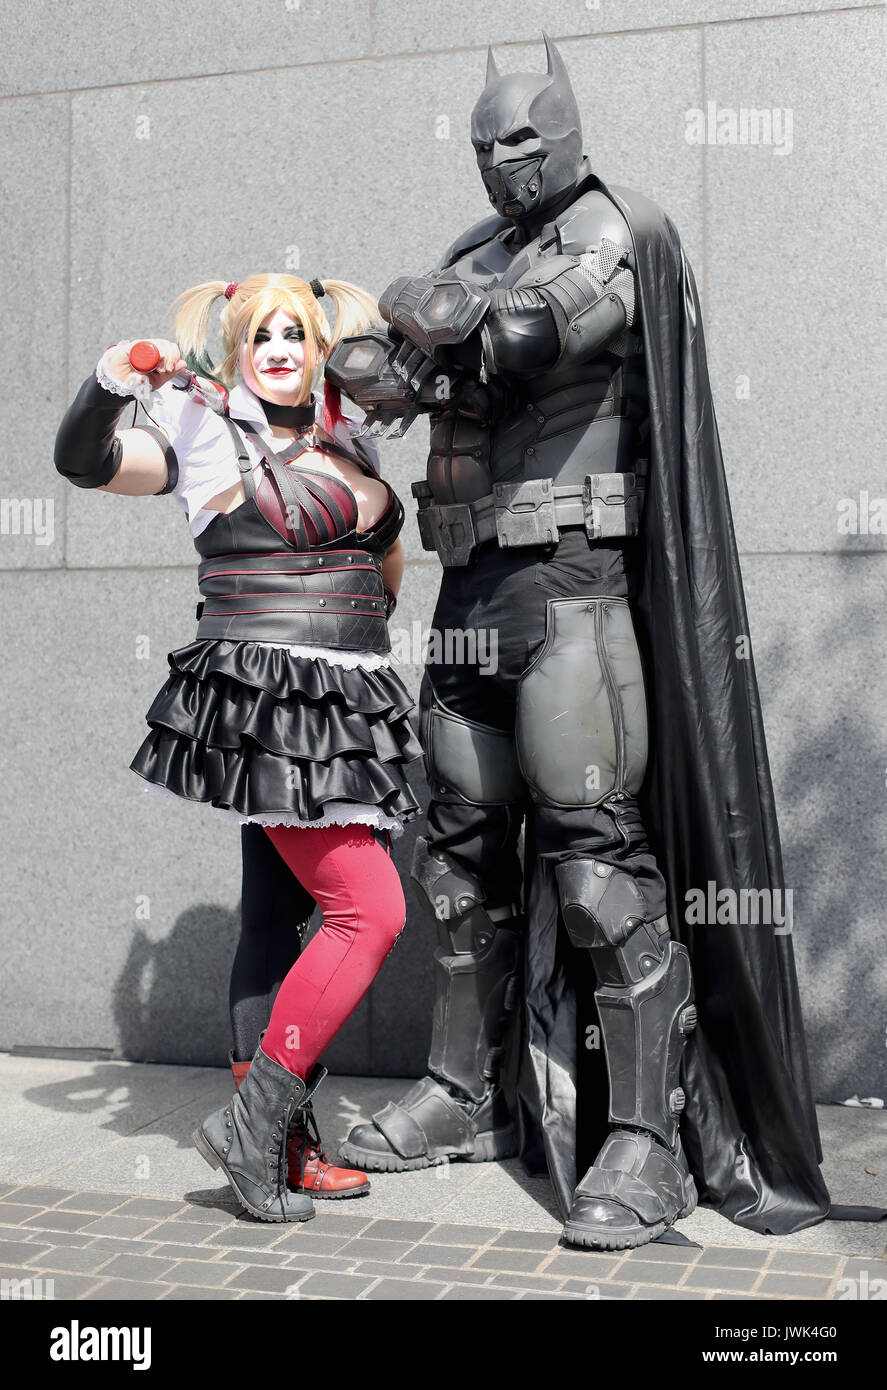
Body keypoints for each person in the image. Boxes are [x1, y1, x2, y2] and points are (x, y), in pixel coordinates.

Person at [332, 35, 836, 1249]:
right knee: (453, 864)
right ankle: (466, 1094)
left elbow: (509, 338)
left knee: (599, 869)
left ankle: (650, 1143)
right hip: (468, 596)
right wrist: (397, 331)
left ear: (563, 132)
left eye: (522, 140)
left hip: (573, 590)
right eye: (484, 146)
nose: (504, 164)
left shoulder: (617, 230)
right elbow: (376, 371)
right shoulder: (475, 248)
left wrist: (416, 315)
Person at [54, 273, 423, 1222]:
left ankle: (284, 1147)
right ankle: (252, 1128)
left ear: (317, 343)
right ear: (236, 346)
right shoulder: (203, 426)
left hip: (347, 695)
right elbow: (84, 463)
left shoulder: (346, 435)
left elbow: (383, 569)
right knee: (369, 912)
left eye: (294, 331)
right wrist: (109, 378)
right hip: (268, 699)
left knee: (273, 919)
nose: (279, 347)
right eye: (260, 333)